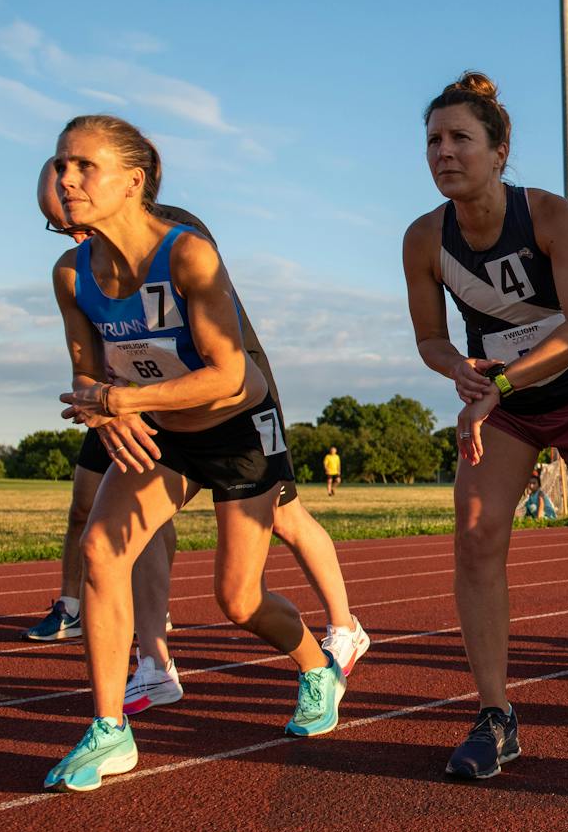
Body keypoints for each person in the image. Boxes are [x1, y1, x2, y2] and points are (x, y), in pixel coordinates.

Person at [46, 115, 348, 792]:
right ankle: (109, 730)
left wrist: (127, 402)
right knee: (99, 551)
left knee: (237, 601)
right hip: (166, 435)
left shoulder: (187, 256)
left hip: (240, 428)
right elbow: (86, 371)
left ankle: (316, 668)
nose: (65, 178)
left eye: (82, 166)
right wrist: (100, 402)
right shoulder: (71, 274)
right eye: (60, 163)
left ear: (133, 181)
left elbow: (230, 375)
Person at [403, 72, 568, 781]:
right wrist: (457, 370)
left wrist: (497, 382)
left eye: (460, 138)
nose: (443, 153)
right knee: (476, 532)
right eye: (433, 140)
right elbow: (430, 338)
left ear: (500, 152)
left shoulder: (549, 216)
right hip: (508, 408)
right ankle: (496, 716)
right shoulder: (423, 240)